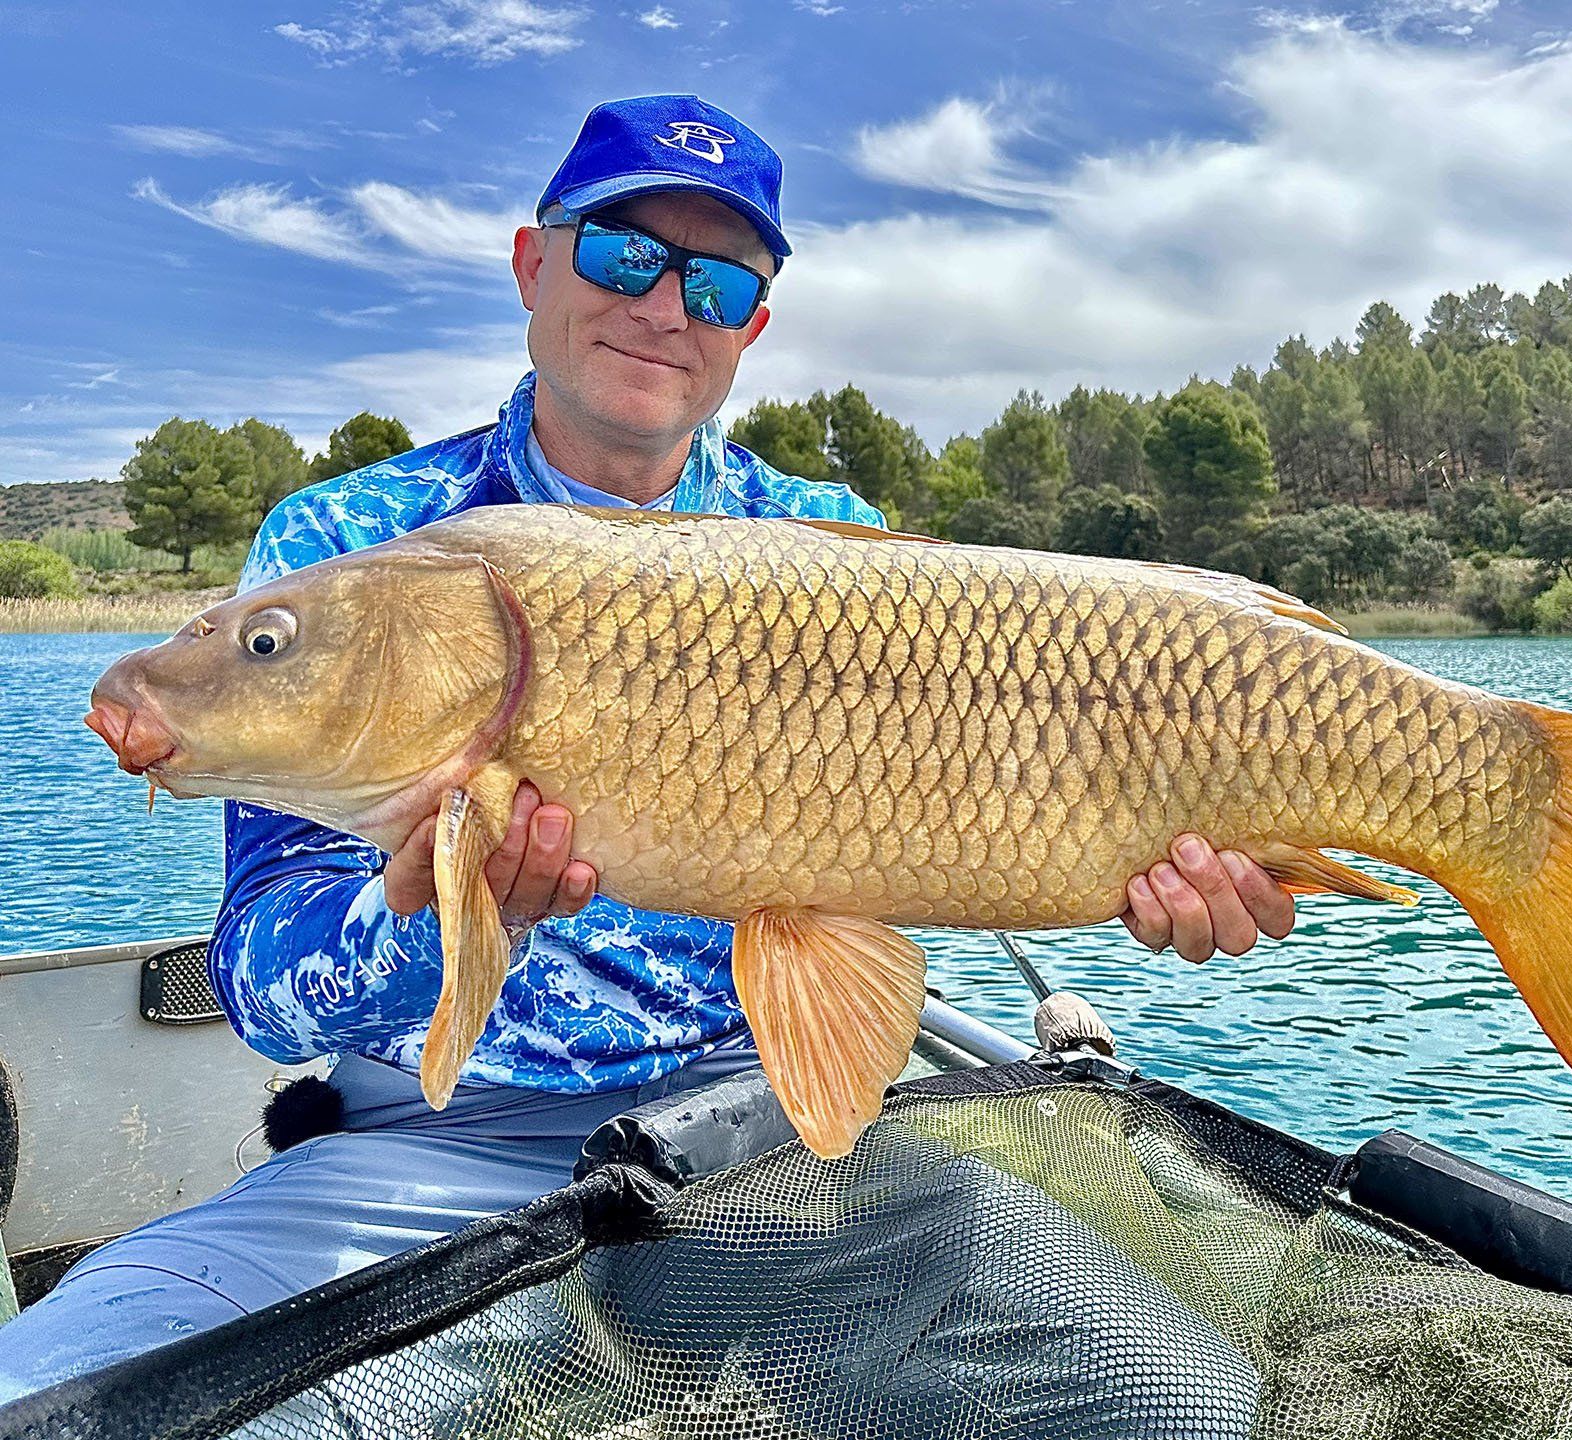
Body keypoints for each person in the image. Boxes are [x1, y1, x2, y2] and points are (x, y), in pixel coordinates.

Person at [0, 94, 1295, 1399]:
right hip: (425, 1157)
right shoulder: (350, 546)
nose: (667, 307)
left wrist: (1171, 875)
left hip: (784, 1147)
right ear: (532, 260)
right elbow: (261, 987)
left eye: (719, 282)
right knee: (57, 1397)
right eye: (626, 251)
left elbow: (941, 859)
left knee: (1179, 1401)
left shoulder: (837, 542)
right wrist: (426, 915)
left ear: (753, 326)